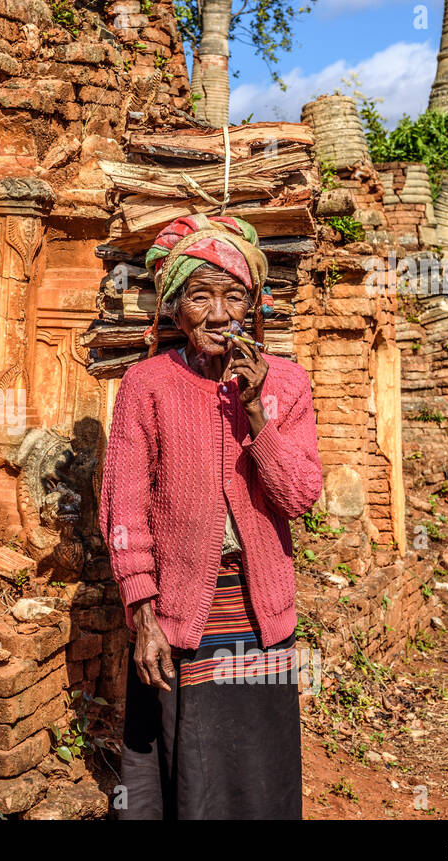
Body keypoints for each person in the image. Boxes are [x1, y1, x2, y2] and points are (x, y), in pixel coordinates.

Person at [99, 214, 324, 819]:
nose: (219, 314)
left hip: (258, 610)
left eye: (234, 297)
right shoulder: (146, 385)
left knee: (257, 770)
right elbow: (123, 505)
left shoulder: (286, 384)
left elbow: (301, 495)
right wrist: (142, 611)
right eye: (201, 296)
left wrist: (255, 412)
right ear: (175, 311)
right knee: (190, 770)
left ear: (254, 306)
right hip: (181, 610)